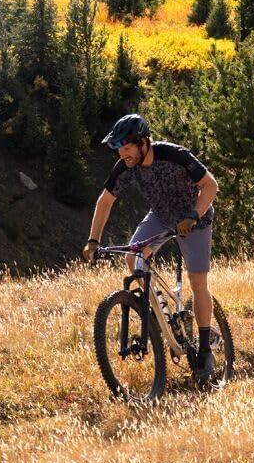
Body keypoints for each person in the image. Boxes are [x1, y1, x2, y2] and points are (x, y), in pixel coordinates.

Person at [83, 114, 220, 381]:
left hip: (195, 217)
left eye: (127, 147)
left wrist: (193, 216)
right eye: (119, 149)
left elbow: (210, 185)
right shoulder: (126, 167)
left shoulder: (174, 155)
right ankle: (160, 313)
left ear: (144, 143)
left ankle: (204, 350)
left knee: (198, 282)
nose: (123, 154)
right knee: (133, 258)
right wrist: (93, 241)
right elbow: (105, 202)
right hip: (161, 216)